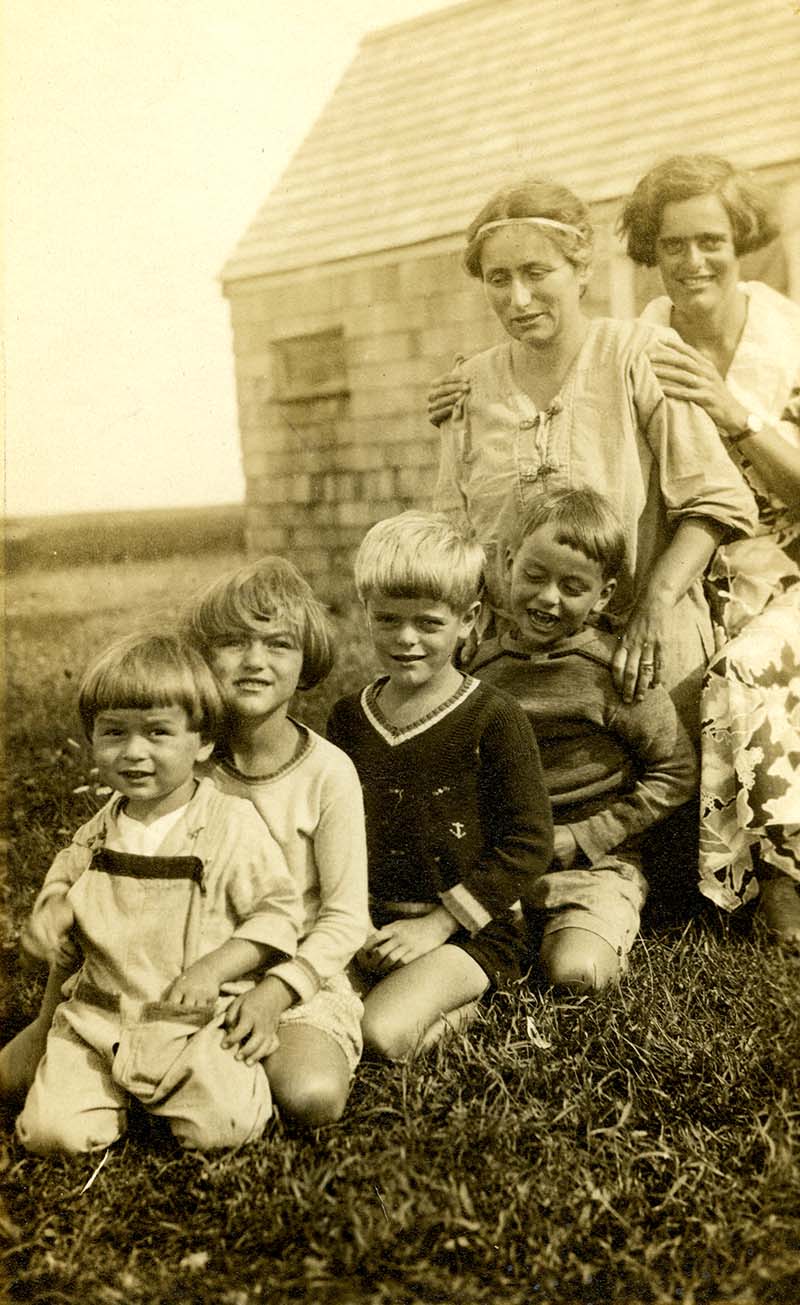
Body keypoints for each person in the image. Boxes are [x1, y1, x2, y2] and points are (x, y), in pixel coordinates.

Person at [3, 558, 370, 1128]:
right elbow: (98, 874)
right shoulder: (173, 757)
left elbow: (345, 919)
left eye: (278, 644)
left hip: (288, 968)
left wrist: (274, 993)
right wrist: (50, 1000)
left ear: (307, 661)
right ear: (199, 658)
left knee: (308, 1095)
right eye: (231, 643)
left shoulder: (327, 772)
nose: (253, 661)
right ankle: (75, 1039)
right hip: (161, 973)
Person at [425, 177, 758, 734]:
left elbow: (717, 502)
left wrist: (655, 605)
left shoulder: (640, 356)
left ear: (581, 269)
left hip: (643, 639)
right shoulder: (469, 387)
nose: (518, 299)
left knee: (659, 790)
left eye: (536, 273)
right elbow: (452, 534)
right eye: (498, 279)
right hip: (519, 659)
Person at [15, 634, 302, 1155]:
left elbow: (279, 916)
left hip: (194, 1027)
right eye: (114, 733)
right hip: (100, 1021)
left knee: (228, 1128)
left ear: (204, 743)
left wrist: (212, 969)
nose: (134, 753)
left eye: (158, 733)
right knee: (50, 1135)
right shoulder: (100, 832)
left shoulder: (229, 825)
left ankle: (192, 1096)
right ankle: (108, 1096)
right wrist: (51, 911)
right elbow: (64, 880)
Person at [618, 154, 800, 945]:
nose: (693, 262)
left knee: (746, 668)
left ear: (741, 241)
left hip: (787, 570)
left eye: (710, 240)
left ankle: (776, 879)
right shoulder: (635, 341)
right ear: (651, 255)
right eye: (672, 246)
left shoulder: (789, 337)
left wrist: (738, 413)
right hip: (689, 572)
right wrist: (464, 385)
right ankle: (634, 865)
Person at [327, 511, 553, 1060]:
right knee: (313, 1015)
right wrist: (350, 927)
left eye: (429, 623)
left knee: (379, 1034)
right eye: (388, 620)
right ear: (366, 613)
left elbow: (528, 843)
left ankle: (484, 1000)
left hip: (469, 930)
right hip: (369, 925)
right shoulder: (348, 720)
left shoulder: (493, 717)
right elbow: (331, 836)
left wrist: (437, 925)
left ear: (468, 618)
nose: (406, 639)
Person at [471, 486, 698, 989]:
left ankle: (579, 930)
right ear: (508, 564)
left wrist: (589, 835)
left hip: (593, 868)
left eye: (573, 586)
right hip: (499, 863)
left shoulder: (612, 673)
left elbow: (677, 770)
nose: (548, 597)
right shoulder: (478, 666)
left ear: (605, 594)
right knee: (454, 966)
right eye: (533, 575)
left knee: (577, 974)